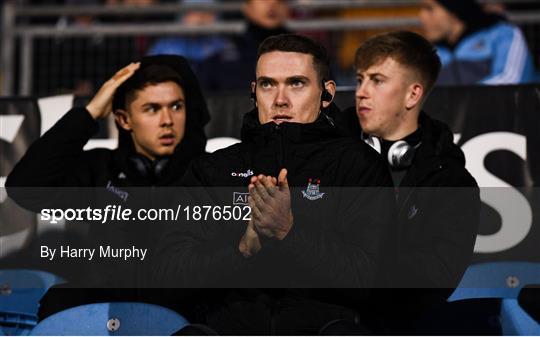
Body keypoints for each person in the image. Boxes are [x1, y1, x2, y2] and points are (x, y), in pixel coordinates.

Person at [149, 34, 396, 334]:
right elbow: (166, 279)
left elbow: (371, 284)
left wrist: (288, 232)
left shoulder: (358, 168)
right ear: (254, 91)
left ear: (326, 93)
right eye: (268, 84)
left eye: (296, 83)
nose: (280, 99)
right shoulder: (213, 171)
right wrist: (242, 249)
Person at [341, 30, 480, 333]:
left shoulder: (450, 182)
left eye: (377, 80)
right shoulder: (326, 151)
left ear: (413, 94)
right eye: (361, 78)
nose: (361, 91)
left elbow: (435, 278)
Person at [419, 0, 537, 85]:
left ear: (454, 13)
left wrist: (458, 99)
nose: (421, 17)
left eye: (429, 9)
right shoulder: (432, 52)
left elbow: (512, 80)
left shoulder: (503, 34)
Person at [197, 0, 290, 90]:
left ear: (287, 8)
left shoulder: (301, 53)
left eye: (280, 0)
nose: (272, 3)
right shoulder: (219, 61)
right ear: (247, 7)